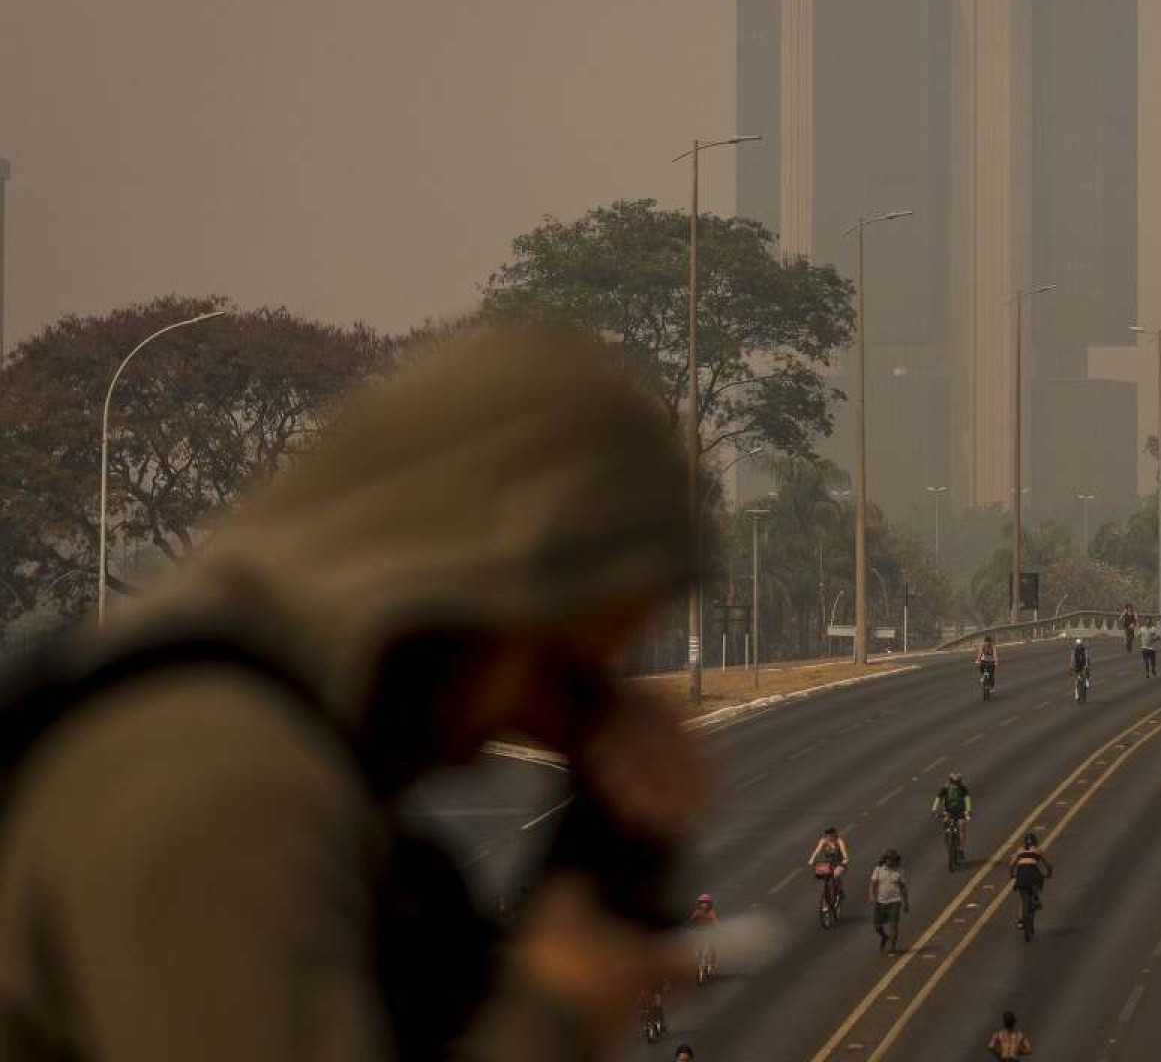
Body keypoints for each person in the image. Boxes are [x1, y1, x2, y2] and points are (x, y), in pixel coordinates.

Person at [0, 327, 711, 1061]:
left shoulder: (248, 728)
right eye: (561, 674)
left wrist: (606, 852)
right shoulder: (226, 787)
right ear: (463, 597)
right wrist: (559, 1007)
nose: (550, 726)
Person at [868, 850, 910, 954]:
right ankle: (884, 937)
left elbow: (903, 888)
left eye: (894, 860)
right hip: (881, 902)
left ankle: (892, 948)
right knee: (877, 926)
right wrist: (872, 895)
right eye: (890, 859)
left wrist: (905, 903)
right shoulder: (878, 870)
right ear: (886, 860)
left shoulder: (899, 871)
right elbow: (873, 883)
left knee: (893, 925)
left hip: (894, 902)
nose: (892, 862)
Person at [1010, 833, 1053, 928]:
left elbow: (1012, 864)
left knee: (1022, 899)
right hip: (1032, 873)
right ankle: (1036, 899)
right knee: (1038, 880)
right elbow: (1048, 865)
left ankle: (1021, 920)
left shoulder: (1020, 851)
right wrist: (1049, 874)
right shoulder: (1037, 850)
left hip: (1021, 875)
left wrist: (1012, 874)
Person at [931, 772, 973, 851]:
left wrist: (934, 809)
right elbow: (938, 798)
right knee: (954, 826)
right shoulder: (946, 788)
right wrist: (968, 811)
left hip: (958, 811)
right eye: (954, 782)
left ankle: (961, 848)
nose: (955, 784)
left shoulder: (961, 788)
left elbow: (967, 799)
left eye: (956, 782)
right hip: (951, 811)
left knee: (961, 828)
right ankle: (949, 838)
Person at [809, 826, 850, 905]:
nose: (828, 837)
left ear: (834, 834)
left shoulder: (839, 841)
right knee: (821, 873)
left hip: (839, 863)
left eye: (830, 835)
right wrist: (812, 859)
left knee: (836, 874)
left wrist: (845, 859)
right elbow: (817, 851)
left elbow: (844, 853)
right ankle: (827, 892)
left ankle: (840, 891)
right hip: (828, 864)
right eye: (827, 835)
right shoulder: (823, 841)